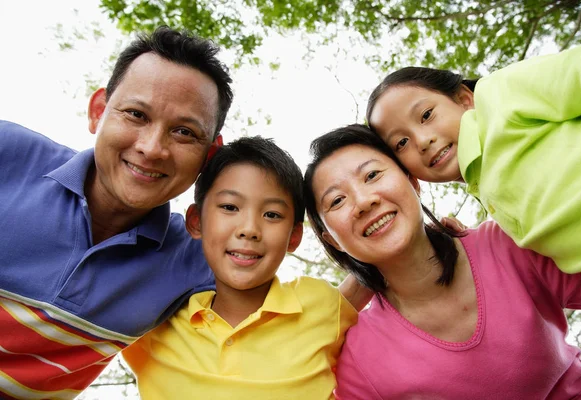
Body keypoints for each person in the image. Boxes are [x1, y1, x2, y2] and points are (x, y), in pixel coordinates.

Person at [0, 26, 233, 398]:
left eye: (184, 132)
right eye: (137, 114)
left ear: (209, 156)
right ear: (98, 111)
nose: (153, 148)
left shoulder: (198, 259)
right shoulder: (7, 154)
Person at [304, 124, 581, 399]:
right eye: (337, 201)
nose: (364, 201)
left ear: (412, 181)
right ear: (332, 240)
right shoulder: (360, 358)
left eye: (372, 175)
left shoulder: (507, 245)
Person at [123, 136, 359, 399]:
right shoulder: (152, 321)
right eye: (229, 207)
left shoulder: (323, 305)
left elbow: (383, 271)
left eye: (272, 214)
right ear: (196, 221)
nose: (249, 229)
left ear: (294, 236)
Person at [365, 40, 581, 280]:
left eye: (426, 115)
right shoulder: (485, 190)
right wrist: (464, 245)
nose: (422, 141)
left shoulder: (499, 97)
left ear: (464, 99)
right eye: (401, 143)